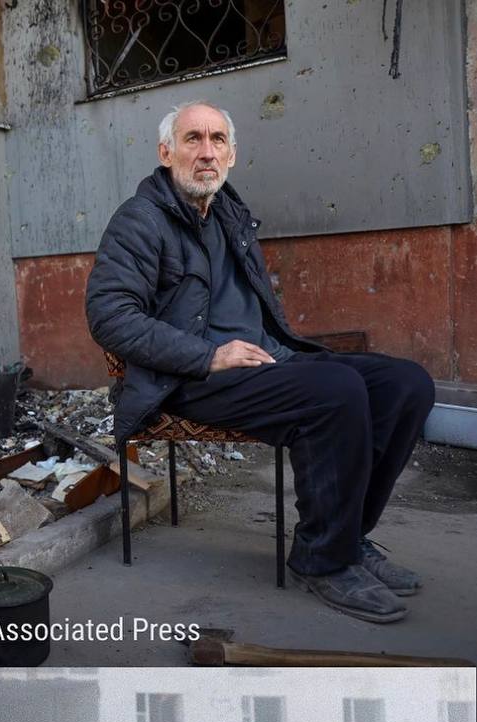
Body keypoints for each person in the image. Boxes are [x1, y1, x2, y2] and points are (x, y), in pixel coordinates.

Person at [86, 100, 435, 625]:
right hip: (189, 377)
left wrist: (277, 350)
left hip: (262, 361)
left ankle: (347, 537)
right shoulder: (140, 221)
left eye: (217, 140)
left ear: (232, 154)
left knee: (406, 384)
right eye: (193, 139)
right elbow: (110, 316)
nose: (207, 152)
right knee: (336, 391)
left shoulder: (228, 211)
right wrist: (209, 355)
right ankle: (322, 561)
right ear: (166, 152)